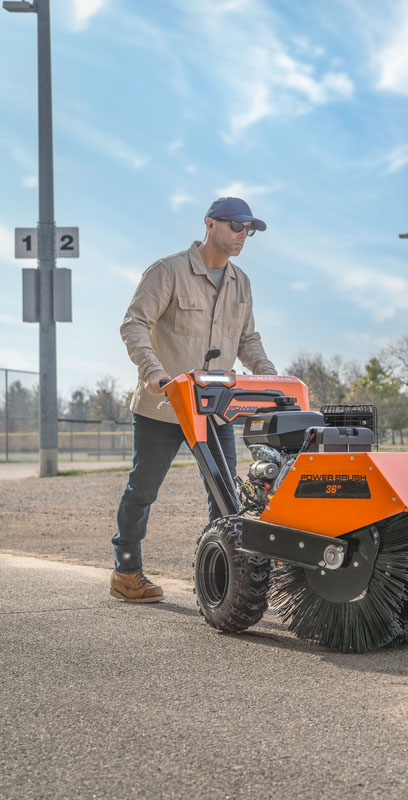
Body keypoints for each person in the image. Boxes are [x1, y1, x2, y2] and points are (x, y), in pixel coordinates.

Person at [110, 197, 277, 603]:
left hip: (217, 409)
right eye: (236, 226)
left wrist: (269, 374)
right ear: (210, 225)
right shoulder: (168, 271)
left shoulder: (241, 282)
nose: (242, 235)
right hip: (165, 405)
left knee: (226, 496)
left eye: (248, 229)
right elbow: (134, 324)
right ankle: (126, 571)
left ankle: (221, 579)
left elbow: (247, 339)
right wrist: (153, 371)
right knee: (143, 488)